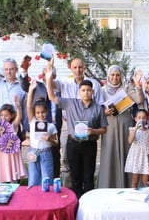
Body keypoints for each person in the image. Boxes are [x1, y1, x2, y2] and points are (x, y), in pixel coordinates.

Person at [46, 63, 107, 197]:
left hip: (89, 145)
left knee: (88, 176)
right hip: (73, 144)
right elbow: (52, 97)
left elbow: (104, 129)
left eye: (88, 90)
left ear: (93, 92)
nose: (86, 92)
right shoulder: (70, 103)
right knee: (75, 177)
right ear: (79, 92)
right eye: (83, 90)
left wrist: (94, 131)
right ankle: (76, 204)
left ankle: (88, 205)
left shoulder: (98, 108)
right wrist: (48, 78)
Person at [98, 65, 144, 188]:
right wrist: (104, 112)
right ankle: (109, 185)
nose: (115, 77)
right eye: (112, 75)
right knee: (110, 154)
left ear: (121, 76)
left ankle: (129, 185)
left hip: (125, 125)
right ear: (108, 76)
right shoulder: (102, 91)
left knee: (128, 153)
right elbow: (96, 110)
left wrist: (138, 87)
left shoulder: (126, 88)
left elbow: (139, 100)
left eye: (117, 75)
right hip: (109, 127)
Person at [0, 100, 27, 183]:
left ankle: (15, 191)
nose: (3, 117)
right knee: (1, 174)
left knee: (12, 176)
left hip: (11, 155)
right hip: (1, 154)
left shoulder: (12, 126)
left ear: (12, 115)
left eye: (6, 115)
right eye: (2, 115)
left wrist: (18, 107)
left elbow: (19, 117)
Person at [27, 99, 58, 187]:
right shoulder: (32, 122)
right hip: (33, 152)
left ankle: (47, 198)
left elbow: (56, 142)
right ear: (35, 113)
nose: (40, 115)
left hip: (46, 153)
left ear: (47, 112)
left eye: (43, 112)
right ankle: (33, 198)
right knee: (33, 178)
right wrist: (31, 90)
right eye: (38, 113)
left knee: (47, 177)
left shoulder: (51, 126)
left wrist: (49, 139)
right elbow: (28, 106)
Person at [124, 109, 149, 188]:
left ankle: (145, 196)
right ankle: (133, 196)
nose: (141, 120)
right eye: (139, 118)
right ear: (136, 119)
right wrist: (136, 128)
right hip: (136, 156)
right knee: (135, 181)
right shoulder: (133, 130)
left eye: (144, 118)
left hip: (146, 156)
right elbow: (130, 141)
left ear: (147, 119)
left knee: (146, 181)